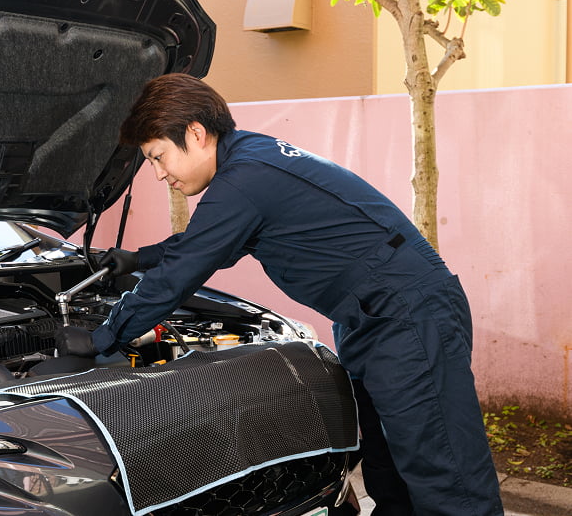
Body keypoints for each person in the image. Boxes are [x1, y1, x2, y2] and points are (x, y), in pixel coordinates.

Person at [62, 73, 503, 515]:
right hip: (374, 317)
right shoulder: (250, 162)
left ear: (195, 134)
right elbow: (210, 244)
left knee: (446, 477)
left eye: (158, 157)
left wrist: (103, 338)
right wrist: (137, 259)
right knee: (391, 474)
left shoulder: (244, 180)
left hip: (407, 315)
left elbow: (184, 272)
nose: (159, 174)